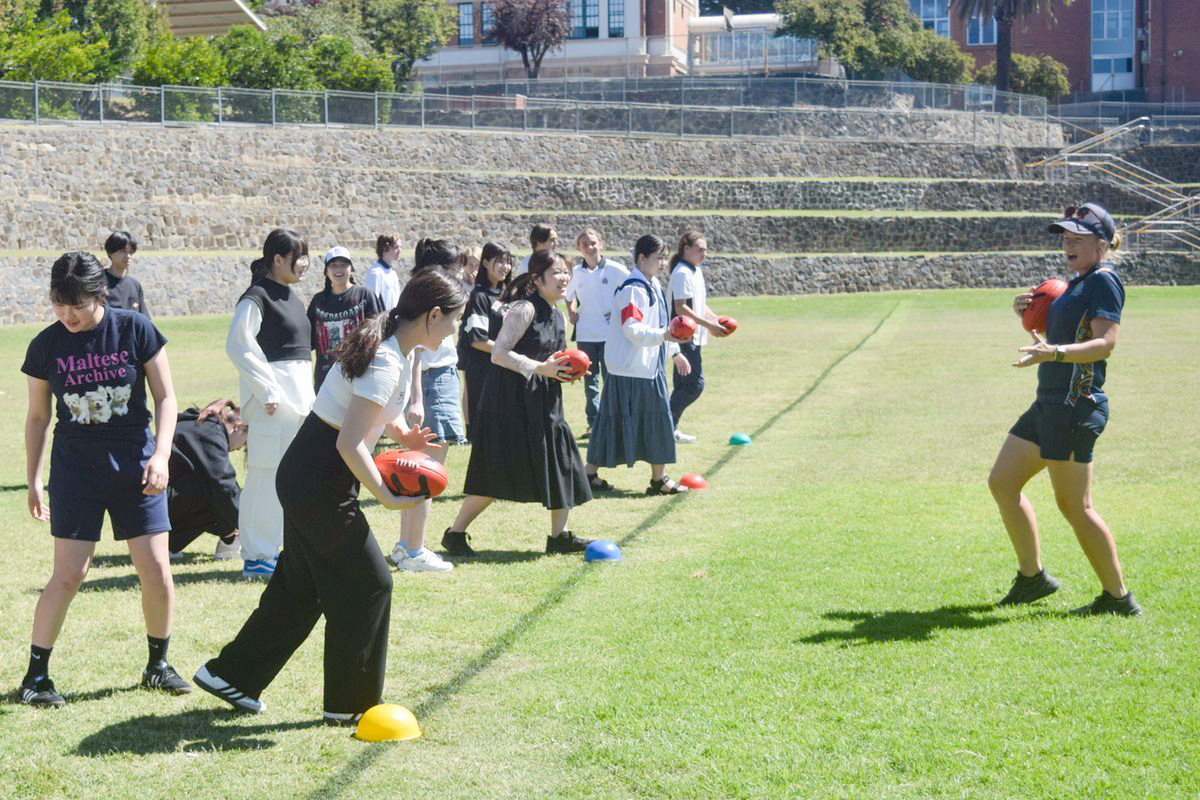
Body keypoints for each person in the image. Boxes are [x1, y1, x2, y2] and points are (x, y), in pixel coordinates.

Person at [194, 270, 465, 722]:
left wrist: (404, 436)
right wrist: (386, 497)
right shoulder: (386, 359)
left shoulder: (396, 349)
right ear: (434, 315)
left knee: (300, 589)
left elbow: (370, 411)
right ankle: (350, 705)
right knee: (370, 585)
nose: (456, 327)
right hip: (319, 480)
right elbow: (349, 442)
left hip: (309, 476)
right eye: (454, 318)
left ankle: (231, 676)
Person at [19, 251, 189, 707]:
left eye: (79, 305)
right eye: (59, 304)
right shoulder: (45, 345)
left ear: (101, 295)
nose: (68, 315)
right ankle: (36, 677)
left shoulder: (135, 329)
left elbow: (167, 397)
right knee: (70, 575)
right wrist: (33, 479)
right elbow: (38, 418)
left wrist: (162, 454)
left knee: (155, 568)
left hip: (137, 464)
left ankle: (158, 666)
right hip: (75, 469)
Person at [989, 202, 1141, 616]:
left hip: (1076, 407)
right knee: (1003, 482)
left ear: (1101, 244)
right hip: (1049, 404)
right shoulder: (1076, 282)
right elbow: (1058, 337)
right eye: (1065, 237)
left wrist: (1052, 352)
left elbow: (1105, 342)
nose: (1067, 244)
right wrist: (1032, 317)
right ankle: (1033, 578)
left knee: (1075, 507)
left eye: (1077, 238)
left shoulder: (1104, 282)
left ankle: (1118, 599)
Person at [442, 250, 593, 557]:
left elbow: (553, 359)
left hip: (544, 400)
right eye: (556, 273)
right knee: (495, 474)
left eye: (566, 272)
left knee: (562, 463)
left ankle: (559, 537)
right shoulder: (524, 309)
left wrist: (566, 371)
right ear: (537, 279)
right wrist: (540, 368)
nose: (564, 278)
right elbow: (499, 353)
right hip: (508, 403)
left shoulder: (558, 315)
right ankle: (455, 534)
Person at [226, 229, 315, 580]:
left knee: (290, 480)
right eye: (299, 256)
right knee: (264, 478)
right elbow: (239, 345)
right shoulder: (256, 297)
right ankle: (257, 556)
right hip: (272, 408)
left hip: (298, 405)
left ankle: (277, 549)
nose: (306, 263)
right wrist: (268, 392)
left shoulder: (290, 296)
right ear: (277, 259)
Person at [585, 235, 692, 495]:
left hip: (644, 367)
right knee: (628, 421)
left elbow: (660, 322)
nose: (664, 263)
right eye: (659, 258)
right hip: (631, 368)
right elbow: (632, 328)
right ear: (642, 259)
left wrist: (674, 350)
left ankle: (593, 475)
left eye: (666, 257)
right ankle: (657, 480)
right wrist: (665, 337)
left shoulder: (651, 284)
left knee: (622, 421)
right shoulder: (634, 287)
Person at [386, 238, 467, 573]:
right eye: (455, 267)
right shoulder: (430, 296)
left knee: (418, 470)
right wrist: (417, 397)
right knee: (426, 472)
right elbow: (417, 351)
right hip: (434, 382)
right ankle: (415, 548)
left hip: (436, 380)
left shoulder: (421, 291)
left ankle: (407, 545)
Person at [565, 228, 629, 439]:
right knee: (590, 383)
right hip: (585, 335)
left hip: (611, 335)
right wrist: (571, 311)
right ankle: (594, 425)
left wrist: (619, 311)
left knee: (612, 380)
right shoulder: (576, 272)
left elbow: (632, 290)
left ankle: (614, 423)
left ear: (601, 243)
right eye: (584, 244)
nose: (589, 247)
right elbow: (568, 295)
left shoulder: (615, 269)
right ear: (578, 248)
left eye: (593, 242)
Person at [666, 231, 730, 444]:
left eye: (705, 249)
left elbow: (700, 304)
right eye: (700, 249)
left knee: (683, 386)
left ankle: (669, 429)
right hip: (683, 337)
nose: (704, 253)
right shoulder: (682, 272)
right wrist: (708, 324)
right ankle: (663, 426)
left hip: (692, 337)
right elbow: (680, 307)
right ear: (686, 249)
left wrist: (715, 320)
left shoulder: (695, 271)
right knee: (694, 386)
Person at [166, 399, 247, 562]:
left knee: (218, 492)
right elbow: (223, 485)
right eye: (244, 444)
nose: (238, 449)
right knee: (217, 494)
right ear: (239, 427)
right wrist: (246, 525)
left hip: (153, 501)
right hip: (159, 500)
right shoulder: (211, 434)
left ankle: (165, 544)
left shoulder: (202, 425)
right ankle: (230, 542)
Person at [308, 246, 385, 392]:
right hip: (326, 379)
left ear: (351, 268)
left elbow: (380, 335)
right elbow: (307, 339)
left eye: (344, 264)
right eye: (334, 265)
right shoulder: (318, 301)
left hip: (359, 376)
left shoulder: (365, 296)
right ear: (326, 271)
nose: (339, 269)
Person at [457, 241, 512, 440]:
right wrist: (509, 354)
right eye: (500, 261)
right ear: (486, 263)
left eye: (508, 261)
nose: (506, 266)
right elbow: (477, 340)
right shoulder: (479, 297)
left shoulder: (509, 294)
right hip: (483, 371)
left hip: (504, 370)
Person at [103, 230, 149, 317]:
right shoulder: (98, 282)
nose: (128, 256)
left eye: (131, 252)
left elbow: (144, 320)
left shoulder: (135, 285)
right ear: (110, 252)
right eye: (123, 251)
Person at [364, 234, 402, 311]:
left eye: (400, 247)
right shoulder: (375, 273)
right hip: (382, 321)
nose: (400, 251)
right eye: (396, 247)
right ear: (385, 248)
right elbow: (370, 305)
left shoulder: (393, 273)